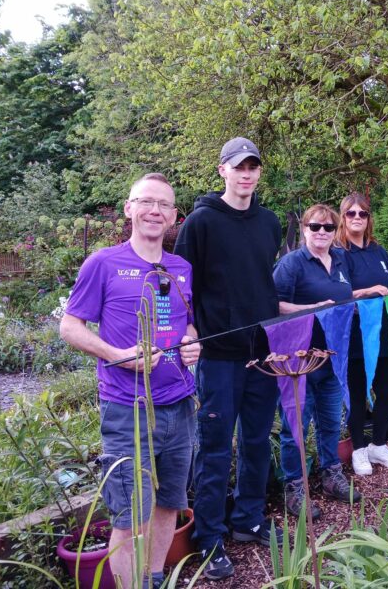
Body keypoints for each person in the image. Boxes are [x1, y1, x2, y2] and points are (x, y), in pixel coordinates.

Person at [60, 173, 201, 589]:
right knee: (129, 514)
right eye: (147, 202)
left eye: (165, 205)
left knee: (170, 504)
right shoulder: (103, 262)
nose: (155, 211)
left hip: (179, 405)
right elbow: (70, 326)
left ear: (175, 216)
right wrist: (117, 355)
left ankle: (154, 578)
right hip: (128, 410)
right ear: (129, 208)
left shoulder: (180, 267)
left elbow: (187, 325)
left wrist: (192, 344)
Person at [173, 137, 281, 580]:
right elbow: (180, 286)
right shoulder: (200, 223)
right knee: (216, 447)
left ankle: (249, 519)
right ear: (222, 170)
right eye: (238, 166)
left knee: (257, 442)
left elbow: (261, 282)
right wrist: (188, 329)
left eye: (253, 166)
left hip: (262, 353)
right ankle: (210, 537)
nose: (246, 174)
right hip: (218, 355)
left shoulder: (270, 223)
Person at [273, 204, 363, 519]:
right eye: (315, 227)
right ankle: (295, 487)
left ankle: (331, 475)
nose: (321, 233)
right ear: (305, 229)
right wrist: (313, 307)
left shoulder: (340, 259)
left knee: (330, 422)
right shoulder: (292, 264)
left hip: (333, 357)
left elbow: (346, 294)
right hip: (299, 360)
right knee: (295, 426)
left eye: (327, 227)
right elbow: (275, 305)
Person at [335, 192, 388, 476]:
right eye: (351, 213)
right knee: (357, 394)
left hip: (383, 332)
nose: (357, 218)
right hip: (355, 335)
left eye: (363, 214)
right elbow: (338, 294)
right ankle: (358, 448)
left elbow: (386, 286)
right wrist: (365, 293)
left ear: (369, 218)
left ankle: (378, 445)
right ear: (343, 217)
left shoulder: (378, 252)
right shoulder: (337, 253)